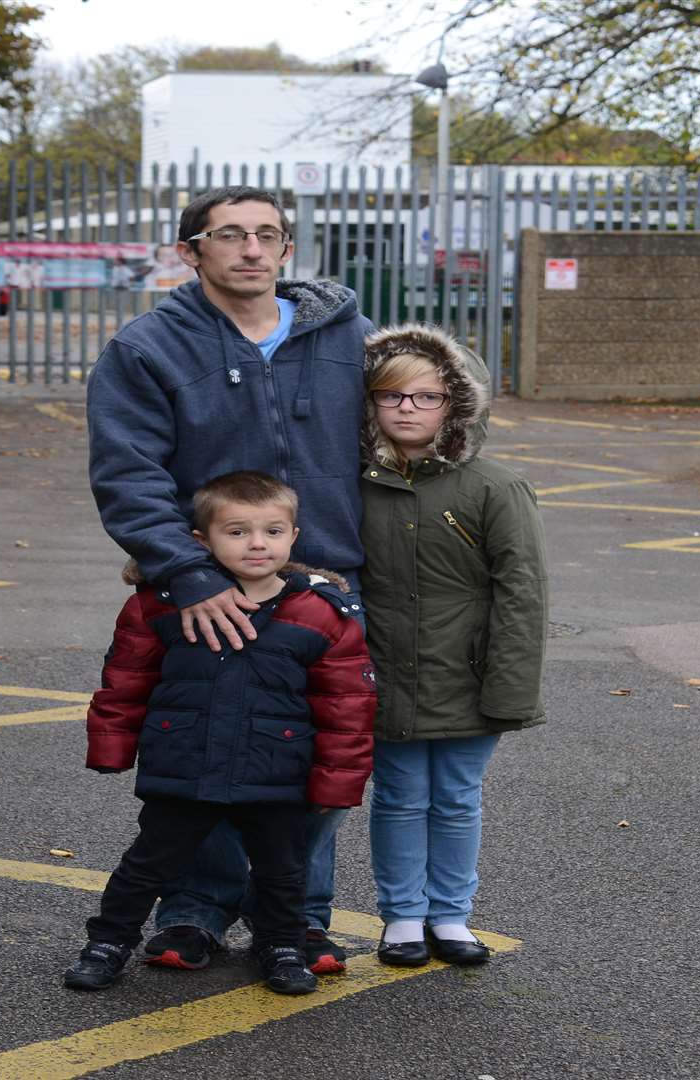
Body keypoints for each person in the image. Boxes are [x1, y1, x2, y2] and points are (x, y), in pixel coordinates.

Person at [86, 185, 373, 975]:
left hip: (328, 586)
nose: (251, 249)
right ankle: (193, 913)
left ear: (286, 250)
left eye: (268, 235)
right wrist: (184, 572)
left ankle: (302, 920)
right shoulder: (149, 348)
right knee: (211, 753)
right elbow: (127, 472)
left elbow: (416, 427)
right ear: (192, 251)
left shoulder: (350, 336)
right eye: (231, 235)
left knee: (311, 751)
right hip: (205, 587)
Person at [64, 471, 375, 994]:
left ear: (293, 537)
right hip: (186, 763)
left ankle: (279, 944)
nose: (257, 543)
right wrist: (112, 747)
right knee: (147, 864)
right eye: (237, 531)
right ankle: (109, 941)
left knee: (282, 871)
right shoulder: (160, 604)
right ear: (200, 540)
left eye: (273, 531)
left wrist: (336, 783)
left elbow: (348, 705)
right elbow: (125, 678)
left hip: (277, 771)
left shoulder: (322, 614)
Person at [357, 324, 547, 967]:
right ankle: (403, 916)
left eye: (427, 397)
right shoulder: (352, 483)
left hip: (468, 674)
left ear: (456, 406)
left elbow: (522, 594)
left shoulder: (495, 487)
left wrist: (510, 686)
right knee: (401, 794)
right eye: (391, 397)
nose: (407, 409)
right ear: (370, 405)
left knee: (458, 796)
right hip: (383, 669)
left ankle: (451, 915)